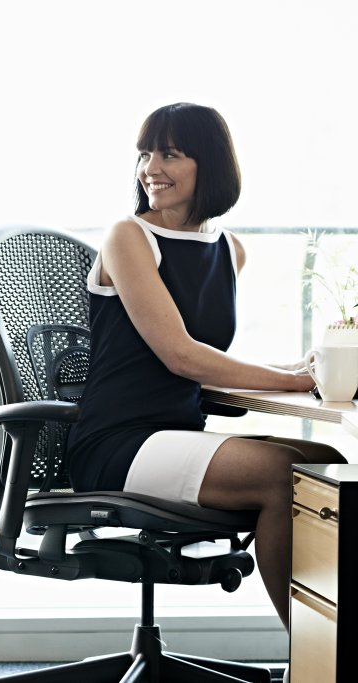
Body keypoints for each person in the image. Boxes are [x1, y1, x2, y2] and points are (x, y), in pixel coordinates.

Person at [65, 102, 347, 633]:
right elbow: (180, 355)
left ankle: (327, 643)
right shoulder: (129, 236)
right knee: (283, 475)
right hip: (119, 443)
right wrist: (293, 381)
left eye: (169, 154)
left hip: (176, 437)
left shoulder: (229, 248)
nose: (151, 168)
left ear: (209, 164)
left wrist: (298, 365)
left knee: (328, 464)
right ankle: (315, 658)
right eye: (145, 154)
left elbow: (208, 358)